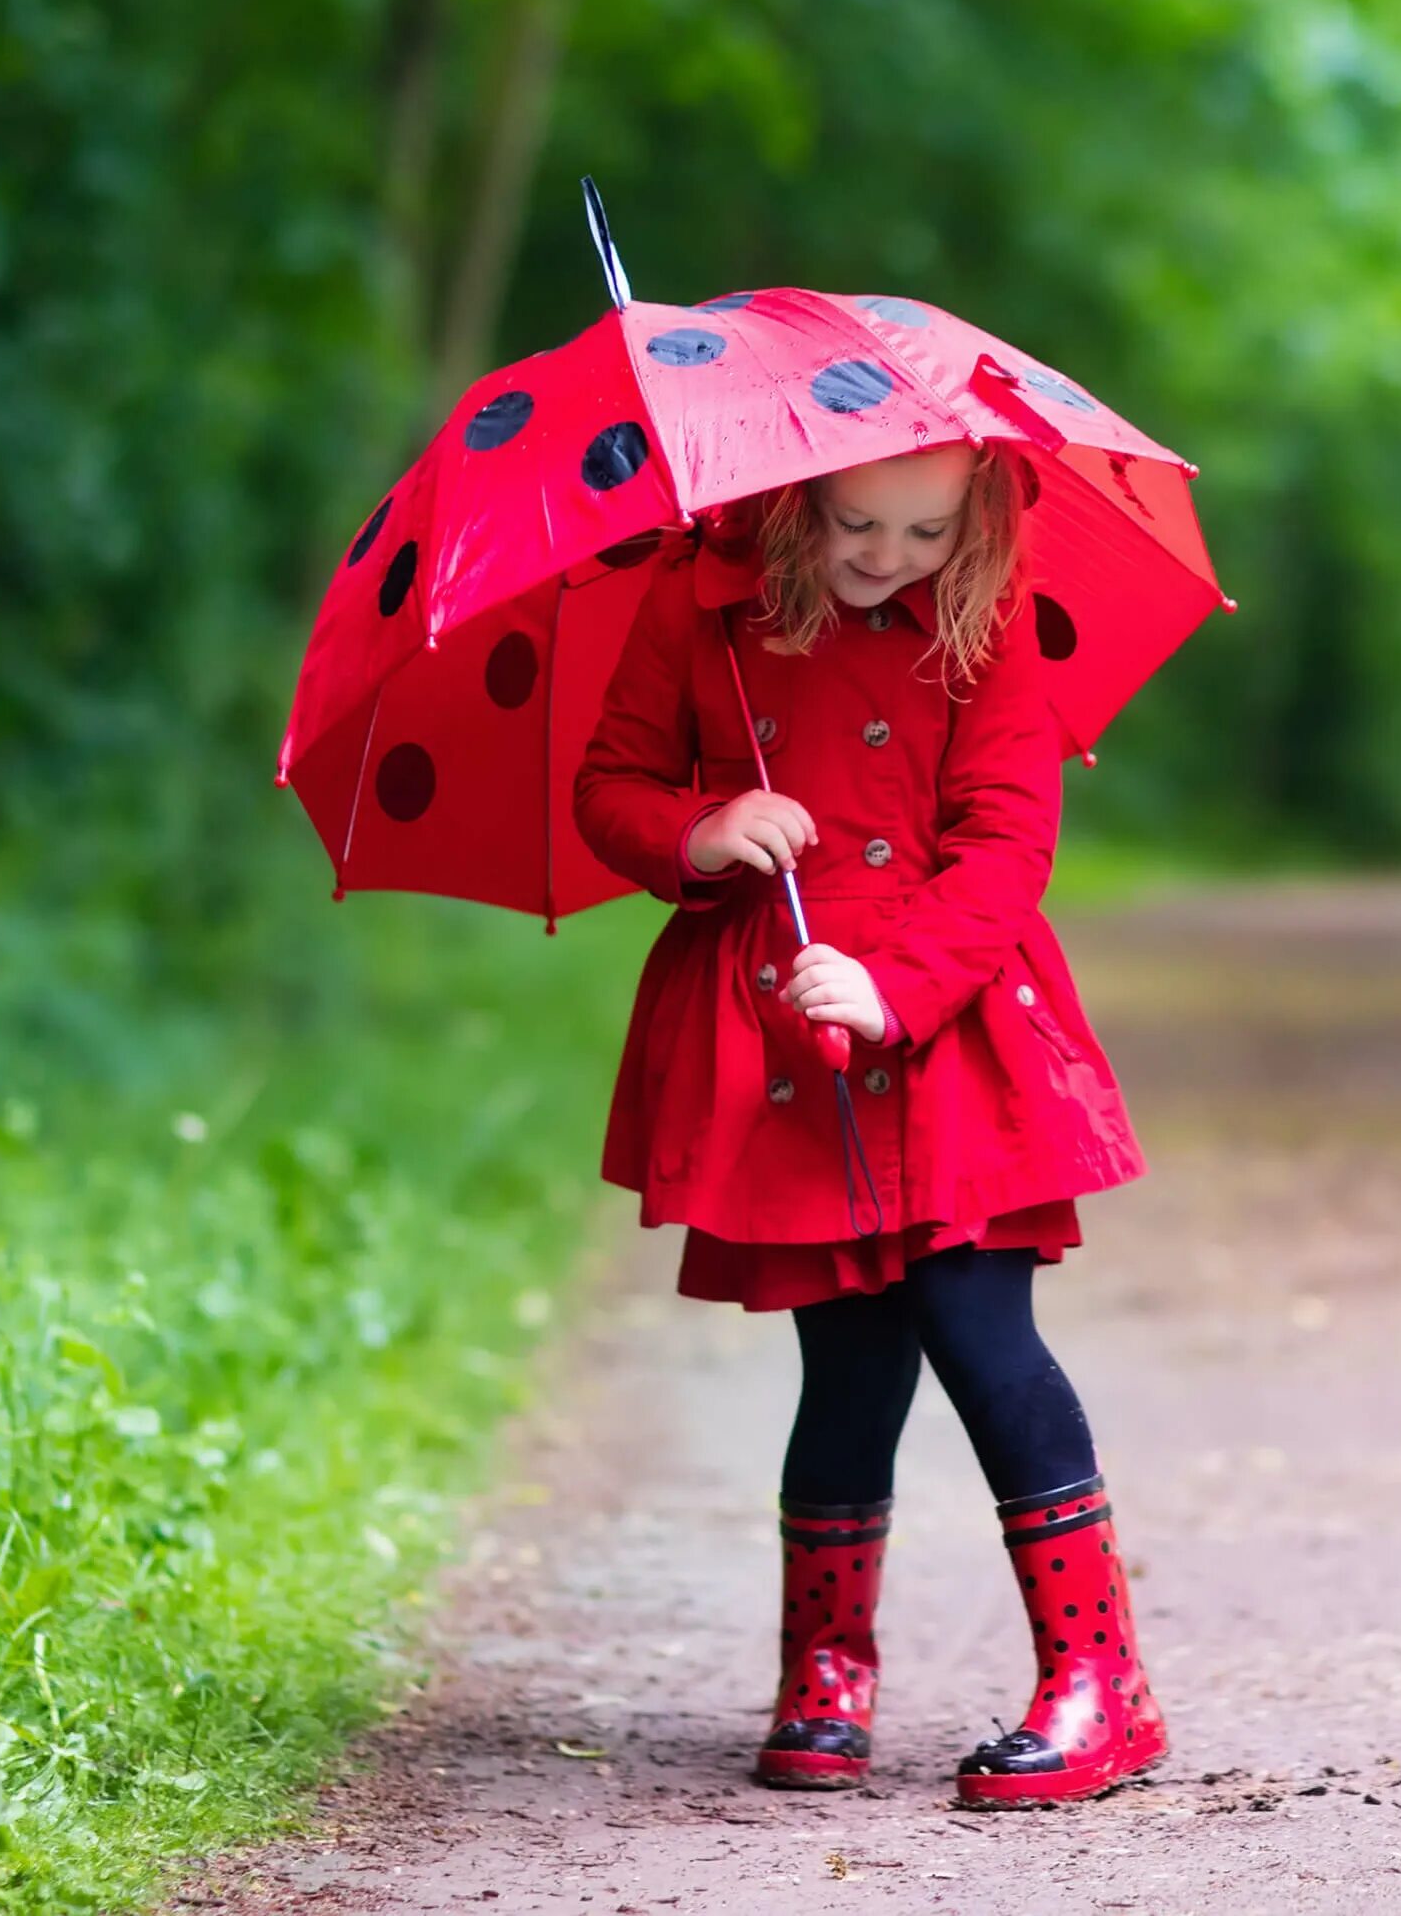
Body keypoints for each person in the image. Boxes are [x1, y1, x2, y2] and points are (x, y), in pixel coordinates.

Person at [570, 440, 1163, 1808]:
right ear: (794, 500)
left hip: (946, 1016)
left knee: (975, 1325)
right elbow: (612, 783)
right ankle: (826, 1673)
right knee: (843, 1365)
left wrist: (895, 988)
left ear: (978, 524)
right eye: (854, 525)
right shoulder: (698, 605)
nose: (887, 556)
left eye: (924, 531)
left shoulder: (982, 621)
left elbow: (1008, 839)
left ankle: (1099, 1683)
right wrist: (702, 830)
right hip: (783, 1027)